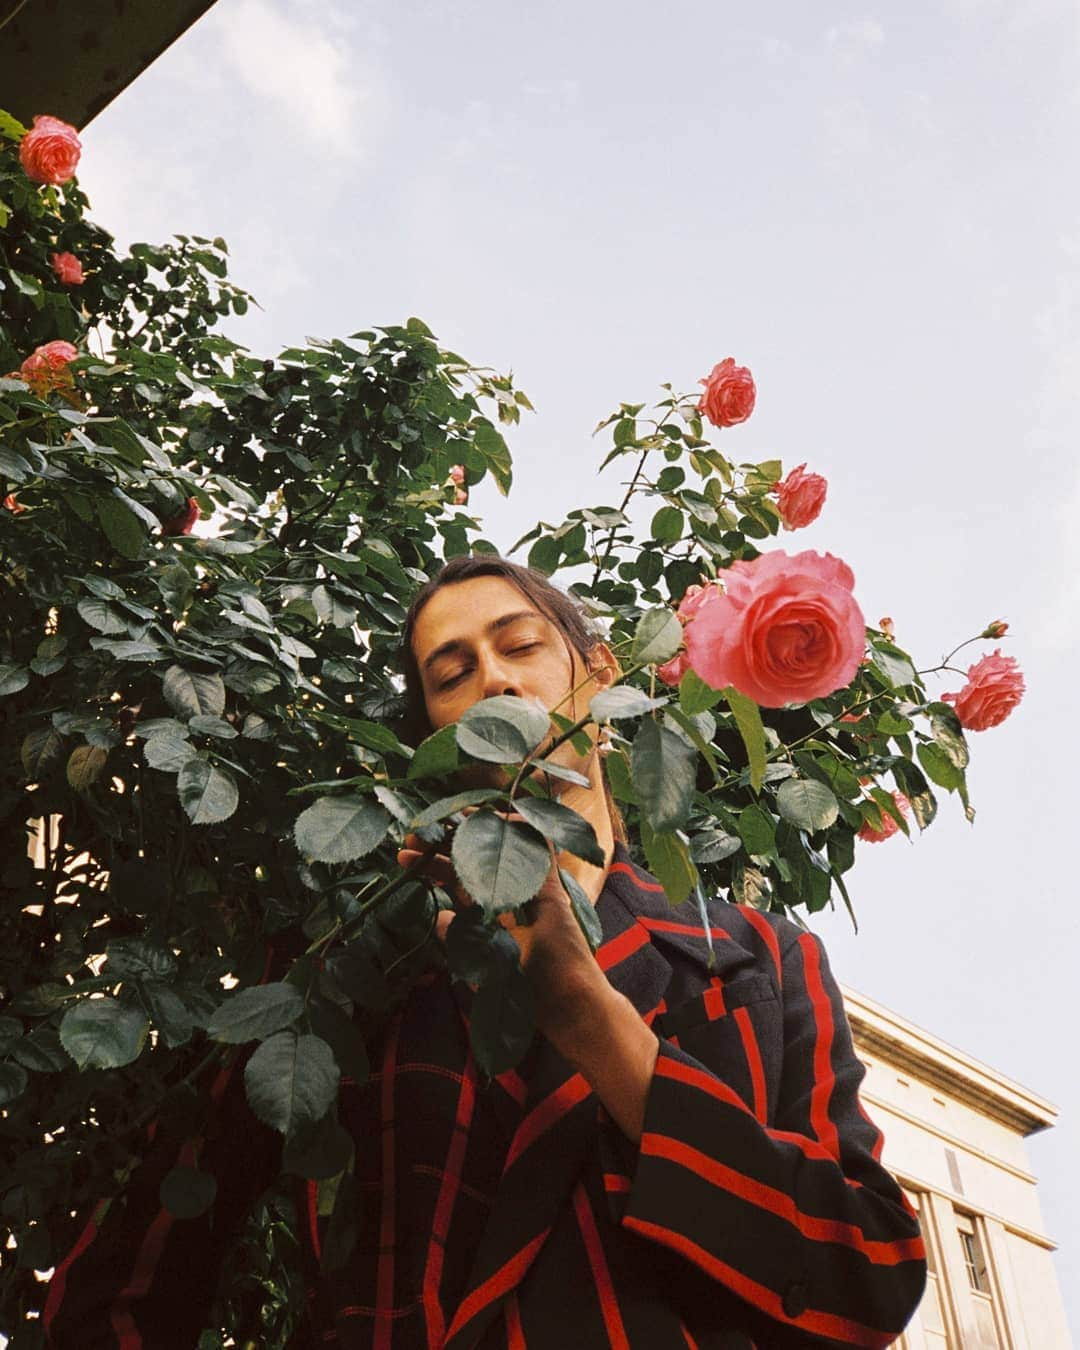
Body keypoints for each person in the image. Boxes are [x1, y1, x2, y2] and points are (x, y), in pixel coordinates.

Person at [44, 556, 927, 1349]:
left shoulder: (754, 958)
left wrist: (595, 1025)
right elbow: (131, 1267)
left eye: (521, 645)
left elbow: (869, 1278)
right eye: (452, 672)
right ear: (436, 730)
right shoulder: (349, 960)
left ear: (601, 675)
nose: (495, 679)